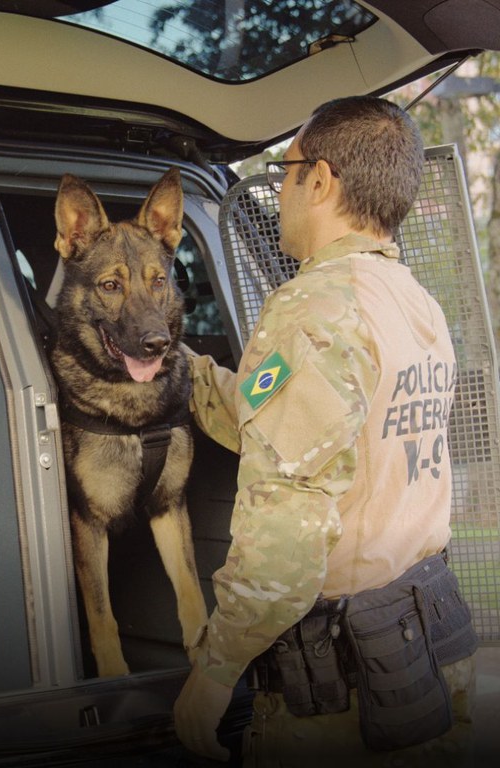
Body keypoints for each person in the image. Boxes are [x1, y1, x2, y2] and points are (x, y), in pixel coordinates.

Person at [173, 96, 477, 765]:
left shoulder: (315, 309)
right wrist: (182, 370)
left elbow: (289, 521)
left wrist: (216, 673)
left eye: (284, 172)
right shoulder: (410, 302)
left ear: (320, 180)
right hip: (426, 648)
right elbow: (283, 424)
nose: (280, 191)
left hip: (346, 690)